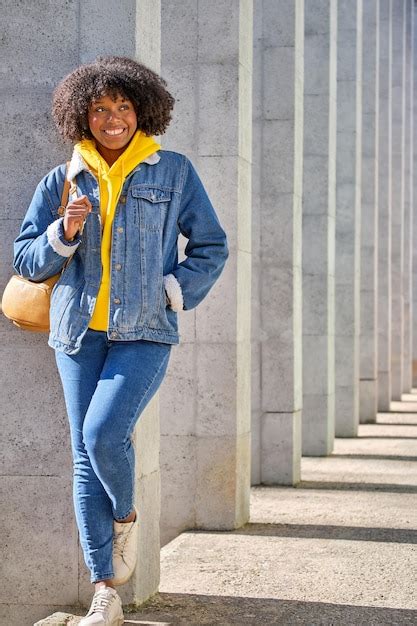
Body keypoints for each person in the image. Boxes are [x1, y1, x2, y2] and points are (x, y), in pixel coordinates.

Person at [13, 56, 229, 626]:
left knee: (103, 431)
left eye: (123, 107)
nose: (112, 119)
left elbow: (211, 245)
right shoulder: (61, 181)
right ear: (82, 116)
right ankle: (104, 588)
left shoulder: (173, 171)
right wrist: (66, 231)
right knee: (85, 457)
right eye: (101, 109)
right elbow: (26, 260)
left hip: (145, 330)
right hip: (77, 332)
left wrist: (173, 289)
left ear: (142, 111)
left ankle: (126, 519)